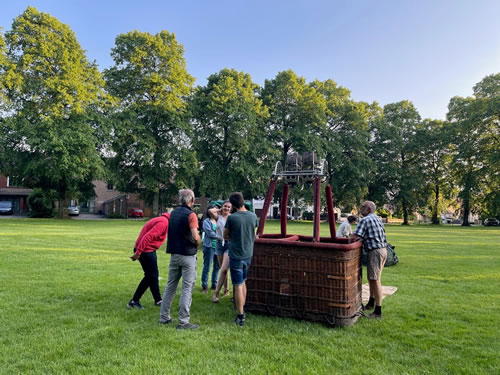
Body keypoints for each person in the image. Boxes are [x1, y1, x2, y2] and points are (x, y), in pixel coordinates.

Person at [159, 189, 201, 330]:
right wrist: (198, 242)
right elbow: (195, 236)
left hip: (174, 255)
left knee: (170, 286)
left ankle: (164, 317)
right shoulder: (191, 215)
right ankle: (183, 321)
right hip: (188, 255)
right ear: (192, 200)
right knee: (187, 288)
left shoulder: (173, 213)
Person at [224, 192, 258, 326]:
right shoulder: (253, 215)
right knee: (244, 281)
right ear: (243, 201)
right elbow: (254, 231)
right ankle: (242, 308)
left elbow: (225, 235)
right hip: (248, 254)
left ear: (232, 205)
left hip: (236, 255)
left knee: (237, 284)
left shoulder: (232, 218)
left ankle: (240, 316)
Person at [349, 201, 387, 319]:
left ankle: (378, 311)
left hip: (375, 251)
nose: (360, 209)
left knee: (375, 280)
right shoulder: (377, 218)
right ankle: (371, 303)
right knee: (372, 279)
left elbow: (354, 236)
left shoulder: (365, 220)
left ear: (369, 209)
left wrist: (346, 241)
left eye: (363, 207)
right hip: (383, 250)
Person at [128, 212, 170, 309]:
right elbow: (147, 237)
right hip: (145, 250)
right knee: (150, 276)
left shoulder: (161, 219)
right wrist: (138, 253)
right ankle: (134, 301)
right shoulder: (163, 223)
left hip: (147, 249)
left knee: (153, 276)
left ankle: (158, 300)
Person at [212, 201, 232, 303]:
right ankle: (226, 290)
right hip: (219, 244)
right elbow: (210, 211)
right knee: (222, 268)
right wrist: (220, 210)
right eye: (225, 206)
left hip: (229, 244)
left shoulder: (232, 217)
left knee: (224, 269)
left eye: (229, 207)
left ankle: (216, 293)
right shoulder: (218, 216)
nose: (227, 208)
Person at [201, 204, 220, 293]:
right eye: (214, 209)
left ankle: (214, 285)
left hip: (218, 247)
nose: (216, 211)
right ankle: (205, 286)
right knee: (207, 267)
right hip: (209, 247)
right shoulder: (206, 222)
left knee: (217, 267)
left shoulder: (219, 221)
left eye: (217, 209)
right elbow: (210, 234)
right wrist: (220, 236)